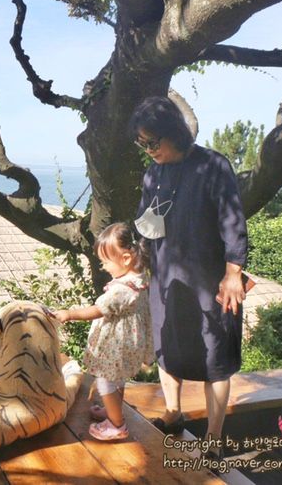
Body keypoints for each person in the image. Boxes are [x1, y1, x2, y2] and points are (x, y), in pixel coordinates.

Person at [129, 96, 248, 460]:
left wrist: (233, 273)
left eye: (154, 142)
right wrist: (137, 267)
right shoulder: (154, 174)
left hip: (210, 278)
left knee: (216, 355)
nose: (149, 150)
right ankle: (172, 412)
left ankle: (213, 440)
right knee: (169, 348)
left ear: (174, 134)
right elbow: (145, 223)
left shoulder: (212, 165)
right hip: (166, 277)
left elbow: (233, 222)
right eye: (142, 143)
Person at [54, 222, 153, 441]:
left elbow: (98, 310)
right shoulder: (139, 278)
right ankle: (113, 411)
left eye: (106, 261)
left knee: (105, 382)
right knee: (117, 380)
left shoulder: (122, 289)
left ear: (126, 258)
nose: (103, 267)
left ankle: (117, 425)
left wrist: (69, 314)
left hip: (115, 347)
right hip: (129, 344)